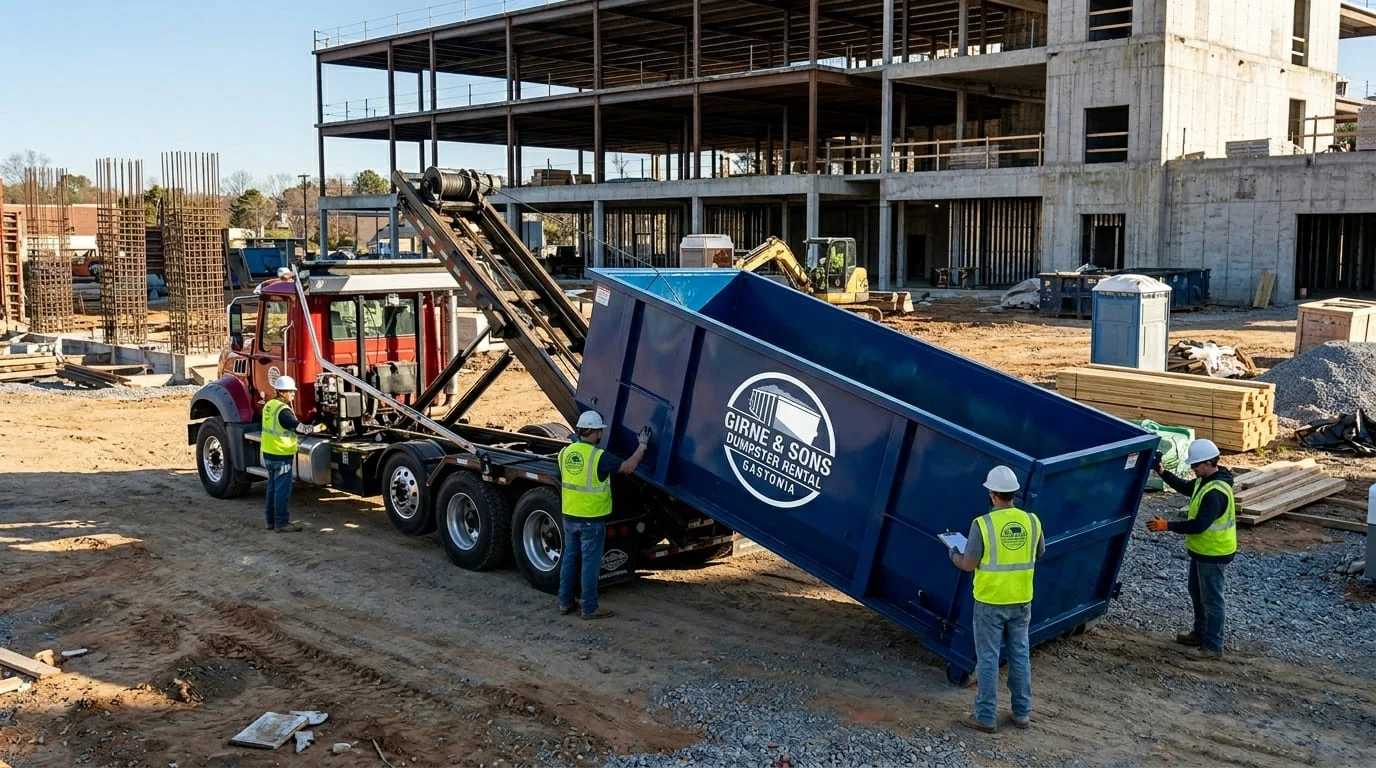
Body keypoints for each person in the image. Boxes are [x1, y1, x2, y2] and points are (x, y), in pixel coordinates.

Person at [948, 465, 1045, 733]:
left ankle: (986, 716)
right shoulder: (1032, 521)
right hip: (1021, 600)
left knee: (988, 659)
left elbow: (968, 564)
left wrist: (953, 554)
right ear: (1014, 493)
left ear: (992, 494)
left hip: (990, 602)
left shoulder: (983, 524)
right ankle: (1022, 713)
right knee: (1020, 655)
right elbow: (1039, 552)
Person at [1144, 438, 1236, 660]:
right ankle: (1200, 633)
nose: (1193, 469)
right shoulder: (1205, 481)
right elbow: (1184, 487)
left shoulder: (1216, 492)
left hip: (1214, 553)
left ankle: (1213, 646)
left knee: (1212, 599)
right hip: (1203, 551)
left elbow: (1199, 525)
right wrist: (1162, 471)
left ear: (1209, 463)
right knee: (1197, 593)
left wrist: (1167, 526)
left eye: (1196, 465)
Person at [557, 411, 650, 620]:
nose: (601, 435)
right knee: (590, 564)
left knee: (570, 560)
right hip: (591, 520)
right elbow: (629, 467)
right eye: (600, 431)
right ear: (594, 432)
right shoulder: (598, 457)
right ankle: (589, 608)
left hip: (569, 516)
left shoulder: (564, 453)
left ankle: (564, 602)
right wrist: (642, 445)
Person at [260, 375, 321, 533]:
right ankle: (281, 523)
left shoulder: (269, 405)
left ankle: (270, 521)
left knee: (272, 488)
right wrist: (318, 428)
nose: (294, 395)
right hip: (281, 456)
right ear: (282, 393)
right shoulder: (283, 411)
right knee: (282, 490)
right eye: (291, 392)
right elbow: (298, 427)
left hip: (268, 453)